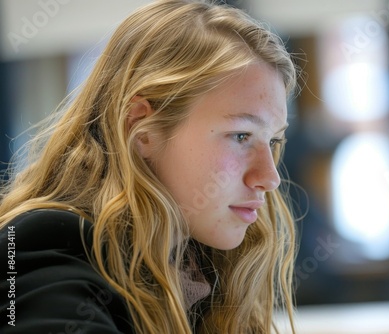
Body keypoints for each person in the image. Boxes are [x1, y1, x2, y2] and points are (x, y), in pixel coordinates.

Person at [0, 0, 299, 333]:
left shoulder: (198, 263)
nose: (269, 178)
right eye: (241, 135)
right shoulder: (52, 242)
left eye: (272, 141)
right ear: (142, 128)